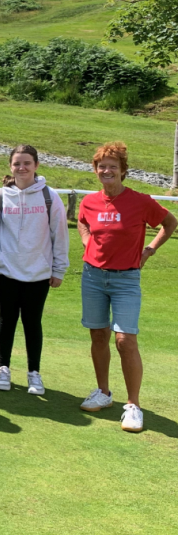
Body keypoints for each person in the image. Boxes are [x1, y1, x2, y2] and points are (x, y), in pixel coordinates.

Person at [76, 142, 176, 433]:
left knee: (124, 340)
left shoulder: (141, 201)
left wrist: (150, 250)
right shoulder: (89, 202)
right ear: (96, 170)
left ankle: (133, 405)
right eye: (101, 166)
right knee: (98, 335)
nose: (106, 171)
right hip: (93, 276)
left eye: (112, 166)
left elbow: (170, 223)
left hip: (126, 279)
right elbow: (82, 222)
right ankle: (103, 393)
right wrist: (86, 241)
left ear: (123, 171)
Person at [0, 145, 69, 396]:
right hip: (6, 272)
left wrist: (59, 269)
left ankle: (34, 373)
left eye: (27, 163)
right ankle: (3, 369)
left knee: (32, 323)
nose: (22, 167)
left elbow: (59, 235)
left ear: (36, 165)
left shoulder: (49, 196)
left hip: (39, 273)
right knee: (6, 321)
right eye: (17, 163)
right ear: (10, 166)